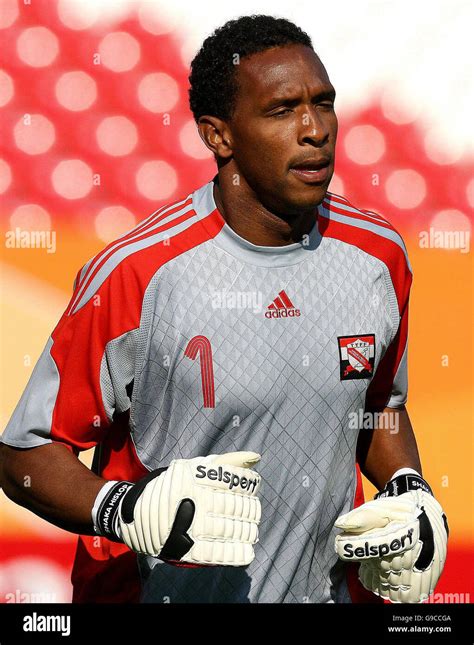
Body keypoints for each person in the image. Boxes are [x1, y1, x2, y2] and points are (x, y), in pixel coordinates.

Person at [0, 14, 448, 604]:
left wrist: (410, 489)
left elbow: (378, 408)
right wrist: (126, 509)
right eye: (282, 109)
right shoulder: (137, 275)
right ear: (219, 137)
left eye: (324, 102)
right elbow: (24, 457)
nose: (314, 129)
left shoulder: (378, 256)